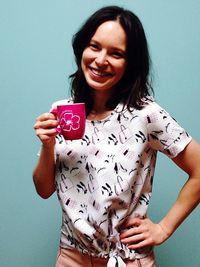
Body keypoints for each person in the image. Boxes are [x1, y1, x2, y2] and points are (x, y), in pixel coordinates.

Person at [33, 5, 200, 267]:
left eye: (116, 53)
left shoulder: (146, 114)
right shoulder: (63, 112)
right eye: (94, 46)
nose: (100, 60)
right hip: (70, 257)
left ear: (130, 63)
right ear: (82, 49)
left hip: (127, 259)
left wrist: (164, 228)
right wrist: (47, 145)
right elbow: (44, 189)